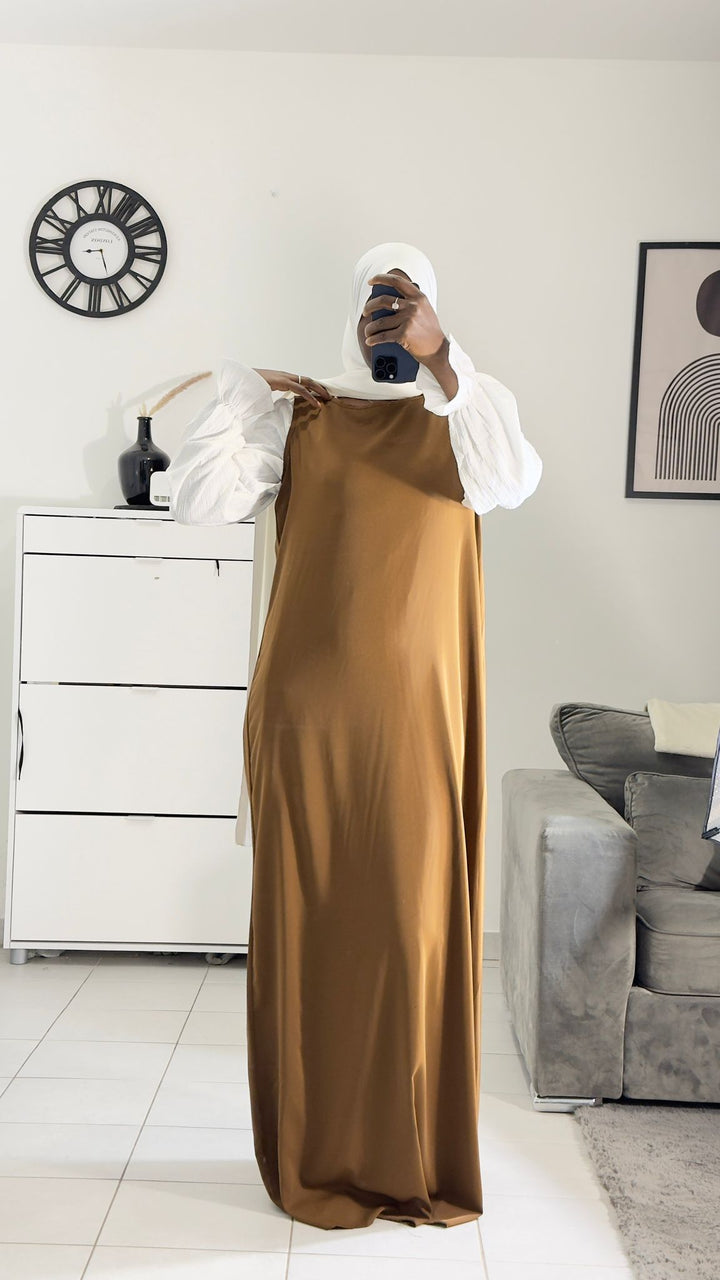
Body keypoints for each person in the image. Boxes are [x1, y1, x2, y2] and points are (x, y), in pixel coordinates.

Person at [166, 240, 543, 1230]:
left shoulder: (468, 414)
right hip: (306, 718)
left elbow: (510, 480)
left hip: (420, 723)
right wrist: (245, 396)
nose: (388, 317)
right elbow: (194, 506)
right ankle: (314, 1156)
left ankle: (407, 1156)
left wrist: (444, 356)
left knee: (411, 935)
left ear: (428, 306)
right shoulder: (303, 415)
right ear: (353, 310)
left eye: (404, 300)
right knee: (312, 937)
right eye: (376, 301)